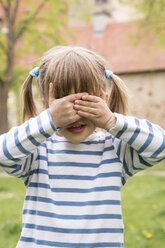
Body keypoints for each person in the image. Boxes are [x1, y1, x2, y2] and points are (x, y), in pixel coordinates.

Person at [0, 46, 164, 248]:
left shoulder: (114, 151)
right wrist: (50, 120)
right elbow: (3, 154)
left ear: (103, 101)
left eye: (85, 103)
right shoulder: (37, 152)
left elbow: (160, 147)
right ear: (47, 106)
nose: (75, 115)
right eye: (65, 106)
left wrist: (112, 121)